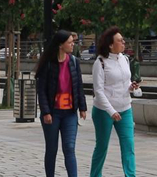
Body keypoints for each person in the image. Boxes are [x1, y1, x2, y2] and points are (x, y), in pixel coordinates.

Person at [36, 30, 87, 177]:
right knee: (52, 149)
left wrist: (82, 108)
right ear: (60, 45)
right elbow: (42, 90)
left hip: (70, 113)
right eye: (70, 42)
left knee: (69, 148)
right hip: (53, 113)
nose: (73, 45)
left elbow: (79, 86)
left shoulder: (74, 62)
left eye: (73, 42)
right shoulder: (48, 64)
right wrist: (46, 112)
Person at [90, 27, 139, 177]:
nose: (123, 42)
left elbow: (125, 82)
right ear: (110, 45)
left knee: (128, 146)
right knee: (102, 146)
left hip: (125, 108)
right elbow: (98, 91)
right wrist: (111, 111)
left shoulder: (124, 59)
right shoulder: (100, 63)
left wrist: (132, 87)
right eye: (120, 40)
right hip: (104, 111)